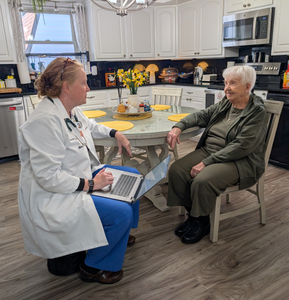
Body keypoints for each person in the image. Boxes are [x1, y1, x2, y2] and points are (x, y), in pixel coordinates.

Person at [18, 57, 139, 284]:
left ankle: (118, 235)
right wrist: (92, 184)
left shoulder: (69, 109)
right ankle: (94, 266)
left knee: (132, 177)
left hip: (78, 176)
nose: (88, 87)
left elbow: (91, 127)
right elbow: (48, 177)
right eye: (84, 83)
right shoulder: (45, 121)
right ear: (66, 87)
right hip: (55, 194)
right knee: (121, 212)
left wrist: (115, 133)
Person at [166, 65, 268, 244]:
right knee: (176, 170)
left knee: (202, 180)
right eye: (226, 83)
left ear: (247, 86)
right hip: (211, 151)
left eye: (233, 83)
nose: (226, 88)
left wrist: (206, 162)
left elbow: (242, 146)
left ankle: (202, 222)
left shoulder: (256, 112)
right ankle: (194, 216)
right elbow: (202, 115)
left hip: (240, 161)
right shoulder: (226, 103)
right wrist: (179, 126)